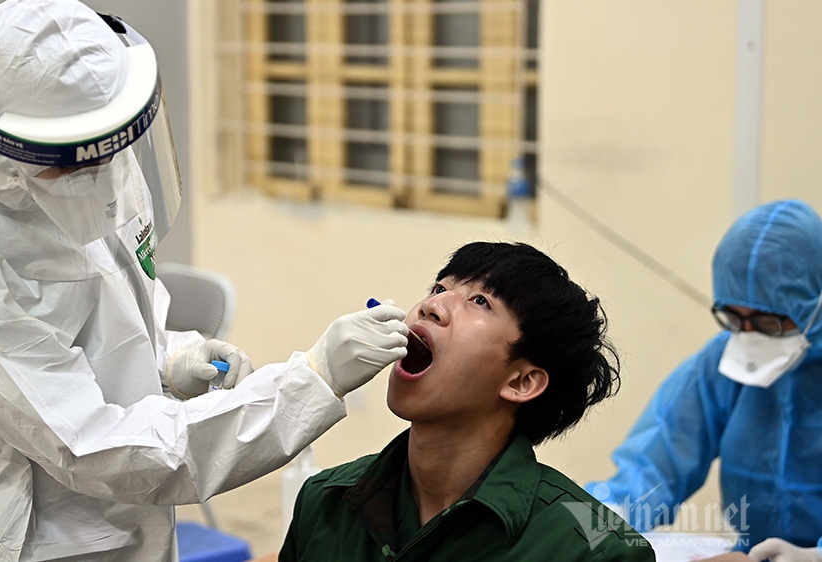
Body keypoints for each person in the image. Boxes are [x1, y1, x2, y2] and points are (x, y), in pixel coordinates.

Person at [0, 1, 410, 560]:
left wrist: (168, 360)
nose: (111, 177)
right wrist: (309, 382)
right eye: (84, 166)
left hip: (136, 516)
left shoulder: (92, 148)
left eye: (116, 151)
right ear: (18, 151)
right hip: (45, 538)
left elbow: (112, 303)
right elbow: (97, 450)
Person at [279, 241, 656, 561]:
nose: (432, 306)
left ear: (522, 381)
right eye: (439, 288)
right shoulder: (324, 503)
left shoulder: (594, 550)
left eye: (479, 301)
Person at [583, 199, 822, 561]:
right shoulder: (723, 363)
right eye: (733, 317)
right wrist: (597, 526)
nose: (748, 335)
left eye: (769, 321)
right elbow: (654, 465)